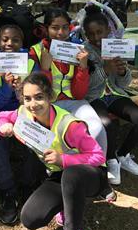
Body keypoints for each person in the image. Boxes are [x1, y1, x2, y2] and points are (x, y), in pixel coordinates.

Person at [0, 72, 107, 230]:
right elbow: (3, 116)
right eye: (27, 98)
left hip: (91, 174)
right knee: (30, 218)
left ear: (50, 97)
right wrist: (3, 126)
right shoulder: (24, 113)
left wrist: (63, 159)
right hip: (58, 174)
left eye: (39, 97)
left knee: (71, 175)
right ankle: (65, 205)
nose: (33, 104)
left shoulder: (69, 125)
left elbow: (99, 156)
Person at [82, 4, 138, 186]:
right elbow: (86, 86)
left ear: (108, 30)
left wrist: (122, 72)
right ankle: (111, 160)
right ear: (86, 35)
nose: (97, 38)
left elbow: (123, 84)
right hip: (93, 97)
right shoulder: (84, 52)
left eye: (100, 32)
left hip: (114, 93)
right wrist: (105, 70)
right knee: (107, 124)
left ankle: (123, 155)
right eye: (92, 34)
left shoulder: (115, 46)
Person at [29, 8, 107, 155]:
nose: (60, 33)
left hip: (74, 102)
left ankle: (100, 166)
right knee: (63, 137)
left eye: (65, 27)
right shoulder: (36, 51)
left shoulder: (76, 50)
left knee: (97, 128)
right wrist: (45, 69)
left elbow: (79, 94)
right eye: (55, 28)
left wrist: (83, 67)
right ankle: (64, 170)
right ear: (46, 29)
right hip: (48, 105)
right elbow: (37, 93)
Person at [0, 24, 36, 224]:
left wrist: (20, 91)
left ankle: (28, 185)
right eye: (5, 40)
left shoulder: (31, 63)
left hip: (25, 111)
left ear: (22, 43)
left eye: (15, 40)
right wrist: (7, 87)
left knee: (36, 131)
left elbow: (35, 99)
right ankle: (8, 191)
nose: (9, 43)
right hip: (0, 113)